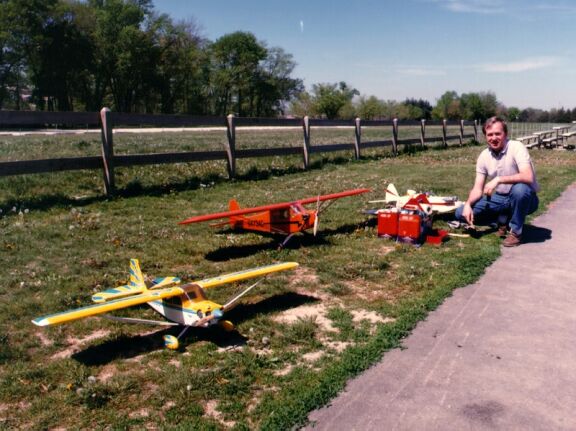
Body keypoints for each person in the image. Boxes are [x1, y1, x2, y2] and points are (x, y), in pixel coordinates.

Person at [455, 116, 539, 247]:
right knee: (460, 213)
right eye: (490, 135)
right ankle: (501, 220)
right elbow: (478, 188)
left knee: (520, 189)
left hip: (526, 198)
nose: (494, 138)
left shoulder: (517, 147)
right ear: (485, 136)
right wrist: (468, 204)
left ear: (505, 134)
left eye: (497, 134)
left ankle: (516, 232)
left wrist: (498, 180)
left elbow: (528, 177)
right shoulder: (484, 156)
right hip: (500, 198)